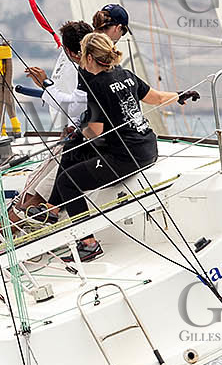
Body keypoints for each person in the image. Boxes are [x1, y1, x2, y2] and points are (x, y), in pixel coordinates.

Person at [46, 30, 194, 260]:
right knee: (75, 150)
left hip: (126, 157)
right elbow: (155, 97)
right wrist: (180, 95)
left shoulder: (95, 84)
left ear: (89, 58)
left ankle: (89, 243)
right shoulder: (125, 74)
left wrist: (75, 134)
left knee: (69, 181)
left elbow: (95, 132)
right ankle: (51, 209)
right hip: (148, 146)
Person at [11, 20, 91, 225]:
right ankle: (1, 231)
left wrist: (45, 85)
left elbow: (76, 107)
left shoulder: (90, 72)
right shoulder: (91, 68)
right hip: (76, 137)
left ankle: (1, 235)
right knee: (29, 191)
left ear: (68, 50)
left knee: (35, 195)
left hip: (85, 142)